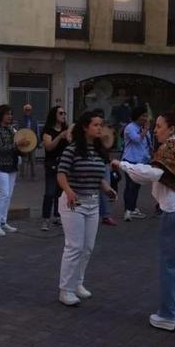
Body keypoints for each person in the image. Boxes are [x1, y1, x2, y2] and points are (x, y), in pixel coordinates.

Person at [112, 110, 175, 332]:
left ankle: (167, 315)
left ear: (171, 129)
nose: (155, 130)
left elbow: (151, 174)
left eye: (159, 126)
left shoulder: (169, 149)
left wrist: (123, 165)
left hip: (174, 208)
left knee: (169, 262)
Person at [56, 111, 117, 306]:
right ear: (85, 127)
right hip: (74, 203)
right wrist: (69, 191)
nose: (100, 128)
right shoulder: (73, 149)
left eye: (101, 124)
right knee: (74, 247)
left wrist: (107, 189)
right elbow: (61, 174)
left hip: (93, 203)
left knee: (88, 247)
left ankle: (78, 283)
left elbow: (98, 176)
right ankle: (65, 290)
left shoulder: (99, 151)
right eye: (96, 125)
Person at [0, 104, 28, 236]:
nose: (10, 116)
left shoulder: (12, 129)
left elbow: (16, 148)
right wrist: (17, 144)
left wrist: (24, 147)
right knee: (4, 194)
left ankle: (3, 222)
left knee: (8, 195)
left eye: (11, 114)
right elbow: (0, 148)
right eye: (7, 114)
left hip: (11, 165)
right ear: (1, 116)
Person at [41, 105, 69, 231]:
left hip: (64, 163)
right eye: (61, 113)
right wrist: (59, 136)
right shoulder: (48, 130)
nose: (63, 116)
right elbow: (48, 147)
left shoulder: (67, 129)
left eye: (64, 113)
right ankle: (46, 219)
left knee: (60, 192)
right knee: (50, 192)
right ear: (55, 115)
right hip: (52, 163)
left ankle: (58, 216)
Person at [121, 106, 151, 222]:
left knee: (137, 185)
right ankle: (128, 210)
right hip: (130, 159)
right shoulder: (130, 127)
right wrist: (145, 130)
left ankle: (132, 208)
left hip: (141, 160)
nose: (145, 118)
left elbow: (146, 144)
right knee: (130, 185)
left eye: (146, 116)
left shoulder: (143, 128)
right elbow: (137, 139)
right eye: (143, 116)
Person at [18, 103, 39, 181]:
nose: (28, 111)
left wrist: (38, 142)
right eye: (26, 109)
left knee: (33, 160)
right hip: (24, 141)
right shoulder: (21, 119)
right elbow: (19, 131)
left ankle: (33, 175)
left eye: (29, 110)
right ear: (24, 110)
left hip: (32, 141)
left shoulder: (34, 119)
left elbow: (37, 130)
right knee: (24, 159)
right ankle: (22, 175)